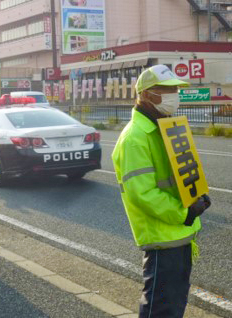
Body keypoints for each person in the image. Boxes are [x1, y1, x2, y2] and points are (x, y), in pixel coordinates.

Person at [111, 65, 211, 318]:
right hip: (163, 239)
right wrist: (185, 213)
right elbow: (141, 194)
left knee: (173, 305)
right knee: (161, 309)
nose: (173, 94)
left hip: (178, 234)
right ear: (144, 94)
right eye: (165, 89)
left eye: (175, 89)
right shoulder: (135, 137)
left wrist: (196, 195)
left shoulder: (164, 128)